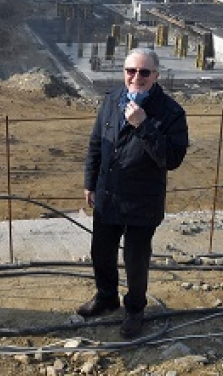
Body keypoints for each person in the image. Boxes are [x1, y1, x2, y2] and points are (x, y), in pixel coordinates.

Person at [77, 47, 189, 339]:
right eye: (130, 70)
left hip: (143, 200)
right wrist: (90, 182)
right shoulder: (112, 100)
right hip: (108, 193)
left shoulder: (171, 112)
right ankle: (106, 297)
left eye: (144, 72)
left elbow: (172, 159)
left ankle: (135, 309)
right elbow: (95, 144)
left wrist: (143, 125)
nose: (136, 77)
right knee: (101, 252)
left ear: (156, 75)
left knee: (135, 259)